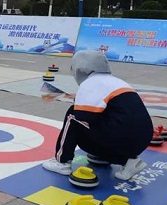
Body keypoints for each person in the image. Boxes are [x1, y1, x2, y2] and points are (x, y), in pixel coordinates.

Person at [42, 50, 153, 181]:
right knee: (104, 118)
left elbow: (83, 116)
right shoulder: (116, 81)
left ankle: (62, 162)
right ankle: (129, 162)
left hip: (120, 140)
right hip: (142, 140)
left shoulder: (90, 83)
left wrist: (78, 101)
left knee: (73, 116)